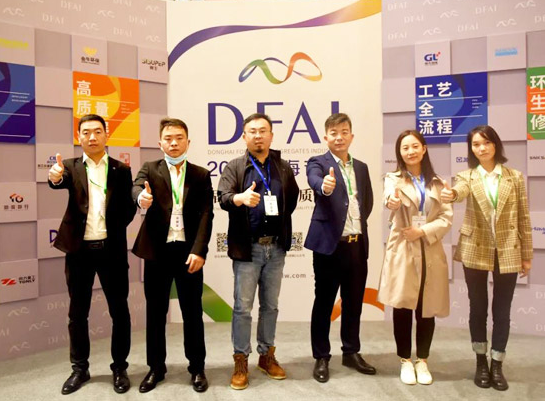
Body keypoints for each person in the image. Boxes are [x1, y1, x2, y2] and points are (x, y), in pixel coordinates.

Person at [48, 114, 136, 395]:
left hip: (111, 251)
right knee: (77, 313)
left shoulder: (121, 169)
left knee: (119, 312)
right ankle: (79, 369)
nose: (92, 137)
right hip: (79, 252)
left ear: (106, 135)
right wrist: (54, 177)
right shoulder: (70, 167)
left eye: (97, 131)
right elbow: (57, 180)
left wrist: (112, 227)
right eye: (86, 132)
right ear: (79, 137)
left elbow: (129, 209)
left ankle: (119, 368)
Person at [441, 125, 533, 391]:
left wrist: (526, 254)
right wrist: (451, 194)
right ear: (471, 149)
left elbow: (524, 217)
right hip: (475, 247)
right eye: (476, 144)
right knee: (478, 307)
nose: (481, 148)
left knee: (502, 310)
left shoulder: (514, 177)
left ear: (495, 145)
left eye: (486, 143)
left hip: (508, 248)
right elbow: (459, 191)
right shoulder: (467, 176)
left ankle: (497, 363)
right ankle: (481, 362)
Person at [217, 113, 299, 390]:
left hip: (275, 247)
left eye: (263, 131)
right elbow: (223, 197)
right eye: (252, 131)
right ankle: (241, 359)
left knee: (270, 305)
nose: (258, 135)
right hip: (248, 248)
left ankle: (267, 355)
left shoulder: (283, 167)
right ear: (244, 136)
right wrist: (239, 199)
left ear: (271, 135)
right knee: (242, 307)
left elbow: (292, 199)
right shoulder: (235, 167)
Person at [131, 118, 213, 393]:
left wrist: (199, 250)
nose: (174, 143)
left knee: (192, 312)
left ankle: (197, 368)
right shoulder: (150, 169)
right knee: (155, 313)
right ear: (160, 143)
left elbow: (206, 214)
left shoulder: (200, 174)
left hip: (188, 253)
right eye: (168, 138)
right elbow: (136, 187)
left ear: (188, 142)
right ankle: (156, 368)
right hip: (157, 252)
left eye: (179, 138)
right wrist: (141, 198)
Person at [304, 113, 375, 383]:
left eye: (344, 132)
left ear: (351, 136)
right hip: (329, 247)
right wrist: (324, 185)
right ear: (326, 137)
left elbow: (366, 203)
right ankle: (321, 356)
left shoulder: (362, 168)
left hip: (356, 245)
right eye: (333, 133)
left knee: (354, 302)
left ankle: (351, 351)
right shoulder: (318, 163)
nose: (339, 137)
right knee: (323, 302)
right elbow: (314, 180)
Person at [379, 130, 452, 385]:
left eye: (414, 146)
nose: (410, 152)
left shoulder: (438, 183)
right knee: (402, 305)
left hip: (429, 247)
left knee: (426, 306)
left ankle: (422, 359)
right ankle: (405, 360)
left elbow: (446, 218)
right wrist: (392, 201)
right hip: (403, 248)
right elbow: (389, 199)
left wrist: (422, 231)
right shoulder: (393, 179)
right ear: (399, 153)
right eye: (405, 148)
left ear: (424, 149)